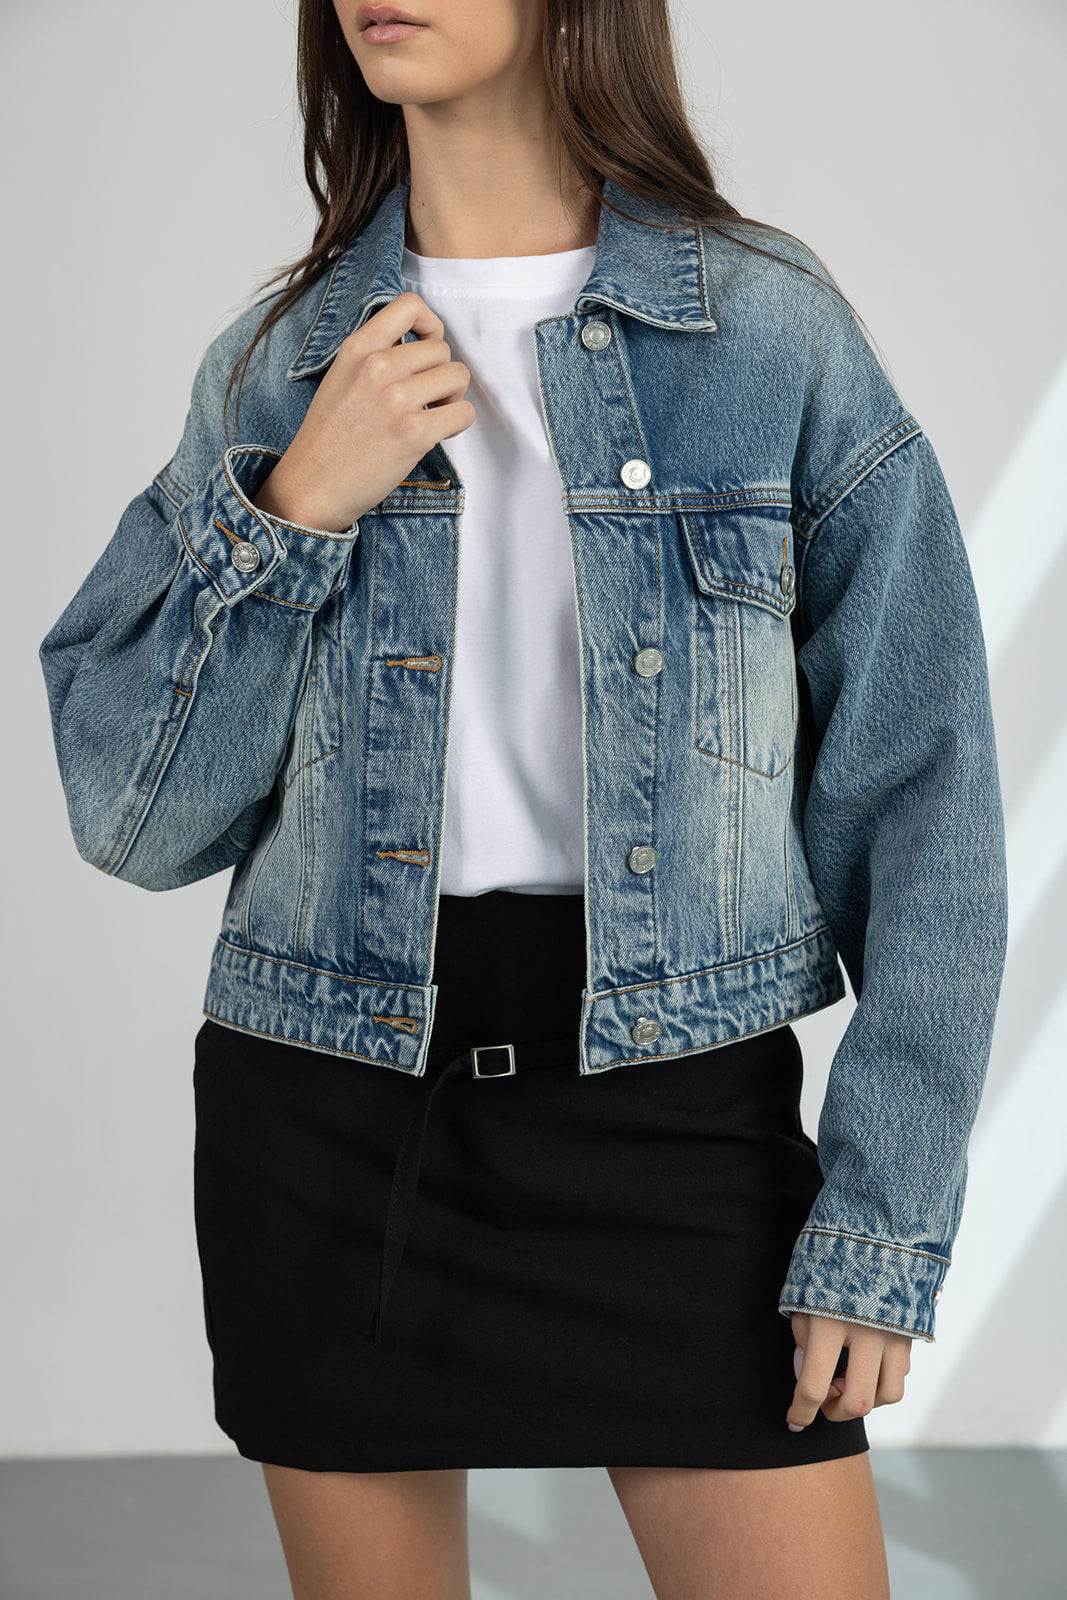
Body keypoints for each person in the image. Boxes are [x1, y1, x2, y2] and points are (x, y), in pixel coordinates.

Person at [38, 0, 1008, 1595]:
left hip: (679, 1118)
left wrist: (883, 1223)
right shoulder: (281, 366)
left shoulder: (771, 336)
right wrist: (297, 507)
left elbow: (927, 808)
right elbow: (134, 819)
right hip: (331, 1121)